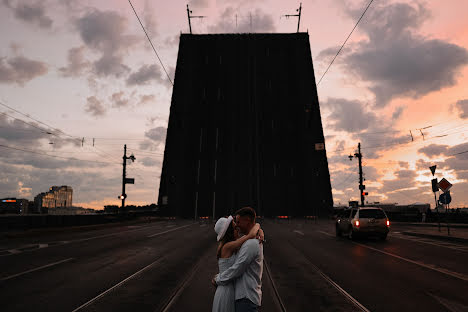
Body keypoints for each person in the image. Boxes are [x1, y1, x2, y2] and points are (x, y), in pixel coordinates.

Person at [213, 207, 264, 312]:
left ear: (247, 221)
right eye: (235, 226)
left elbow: (237, 268)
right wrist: (257, 227)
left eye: (238, 222)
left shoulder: (249, 244)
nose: (237, 225)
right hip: (228, 291)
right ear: (230, 232)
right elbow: (236, 269)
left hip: (242, 294)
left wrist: (258, 227)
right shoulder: (229, 246)